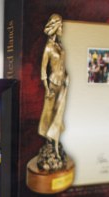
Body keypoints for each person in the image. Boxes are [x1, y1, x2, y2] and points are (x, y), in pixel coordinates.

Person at [38, 13, 69, 161]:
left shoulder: (60, 46)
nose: (62, 28)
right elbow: (43, 70)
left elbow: (63, 66)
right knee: (51, 116)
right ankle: (53, 146)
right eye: (60, 25)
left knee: (59, 115)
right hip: (53, 86)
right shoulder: (48, 48)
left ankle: (55, 145)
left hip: (62, 85)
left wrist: (67, 76)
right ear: (55, 27)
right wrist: (47, 88)